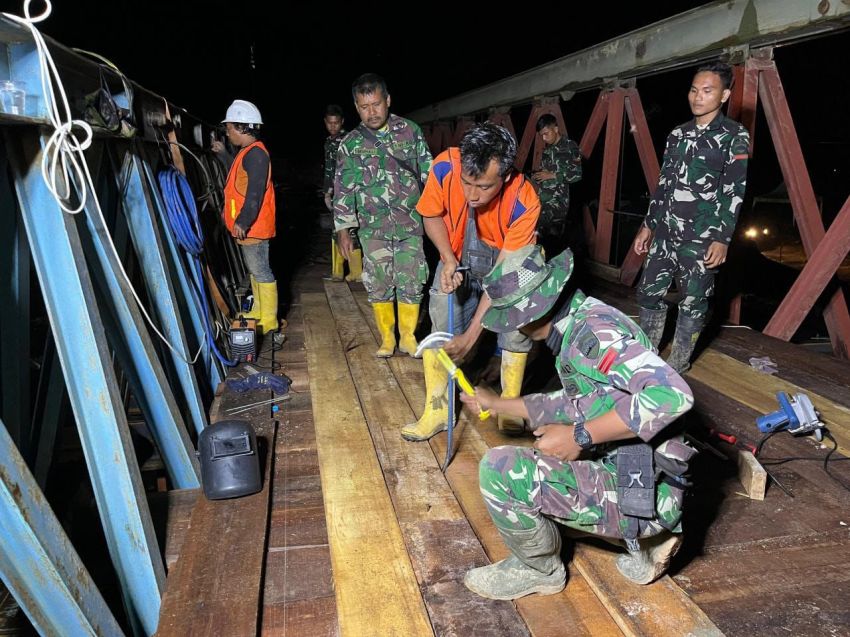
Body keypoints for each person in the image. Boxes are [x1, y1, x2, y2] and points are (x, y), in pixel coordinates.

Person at [458, 244, 695, 600]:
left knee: (502, 468)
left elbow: (673, 396)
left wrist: (580, 436)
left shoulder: (592, 338)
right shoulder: (583, 321)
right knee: (546, 467)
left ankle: (539, 570)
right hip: (644, 475)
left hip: (642, 491)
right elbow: (578, 400)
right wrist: (500, 403)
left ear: (528, 314)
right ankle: (645, 543)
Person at [402, 123, 541, 441]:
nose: (472, 195)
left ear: (505, 177)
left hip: (503, 268)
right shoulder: (443, 167)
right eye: (466, 183)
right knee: (440, 313)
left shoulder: (524, 200)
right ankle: (437, 409)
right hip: (457, 254)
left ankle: (509, 409)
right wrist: (448, 259)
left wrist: (471, 336)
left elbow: (502, 281)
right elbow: (431, 215)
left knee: (516, 325)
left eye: (484, 187)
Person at [632, 61, 750, 372]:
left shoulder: (735, 135)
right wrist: (648, 225)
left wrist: (723, 239)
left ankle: (678, 362)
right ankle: (647, 354)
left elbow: (734, 191)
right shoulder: (677, 134)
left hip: (702, 234)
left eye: (707, 91)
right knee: (647, 292)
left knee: (694, 299)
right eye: (694, 90)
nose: (698, 97)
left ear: (723, 95)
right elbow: (664, 183)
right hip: (666, 231)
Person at [333, 73, 431, 357]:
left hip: (411, 224)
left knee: (412, 280)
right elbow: (343, 189)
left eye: (376, 104)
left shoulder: (410, 132)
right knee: (378, 283)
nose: (371, 112)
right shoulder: (350, 144)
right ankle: (387, 338)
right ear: (356, 106)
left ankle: (409, 338)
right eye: (364, 107)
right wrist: (343, 230)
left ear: (387, 100)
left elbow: (429, 173)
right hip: (372, 229)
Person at [212, 99, 279, 336]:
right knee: (255, 270)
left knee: (261, 271)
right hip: (250, 227)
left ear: (242, 128)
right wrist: (222, 155)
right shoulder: (248, 153)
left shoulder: (256, 155)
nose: (228, 133)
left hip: (254, 227)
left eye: (229, 128)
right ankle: (259, 312)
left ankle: (269, 319)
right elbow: (241, 180)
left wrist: (244, 220)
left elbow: (255, 192)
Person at [531, 114, 582, 256]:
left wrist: (552, 175)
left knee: (546, 237)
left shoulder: (571, 146)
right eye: (541, 135)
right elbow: (546, 175)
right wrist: (539, 176)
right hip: (543, 201)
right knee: (539, 238)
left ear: (556, 128)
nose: (544, 138)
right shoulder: (547, 151)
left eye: (546, 134)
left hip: (558, 204)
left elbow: (577, 174)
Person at [322, 104, 361, 282]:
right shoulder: (328, 142)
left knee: (351, 230)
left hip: (349, 189)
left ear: (342, 122)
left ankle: (356, 272)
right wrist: (327, 191)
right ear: (325, 122)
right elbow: (329, 170)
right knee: (335, 229)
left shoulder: (349, 140)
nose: (333, 127)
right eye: (330, 123)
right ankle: (337, 272)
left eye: (336, 123)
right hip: (335, 191)